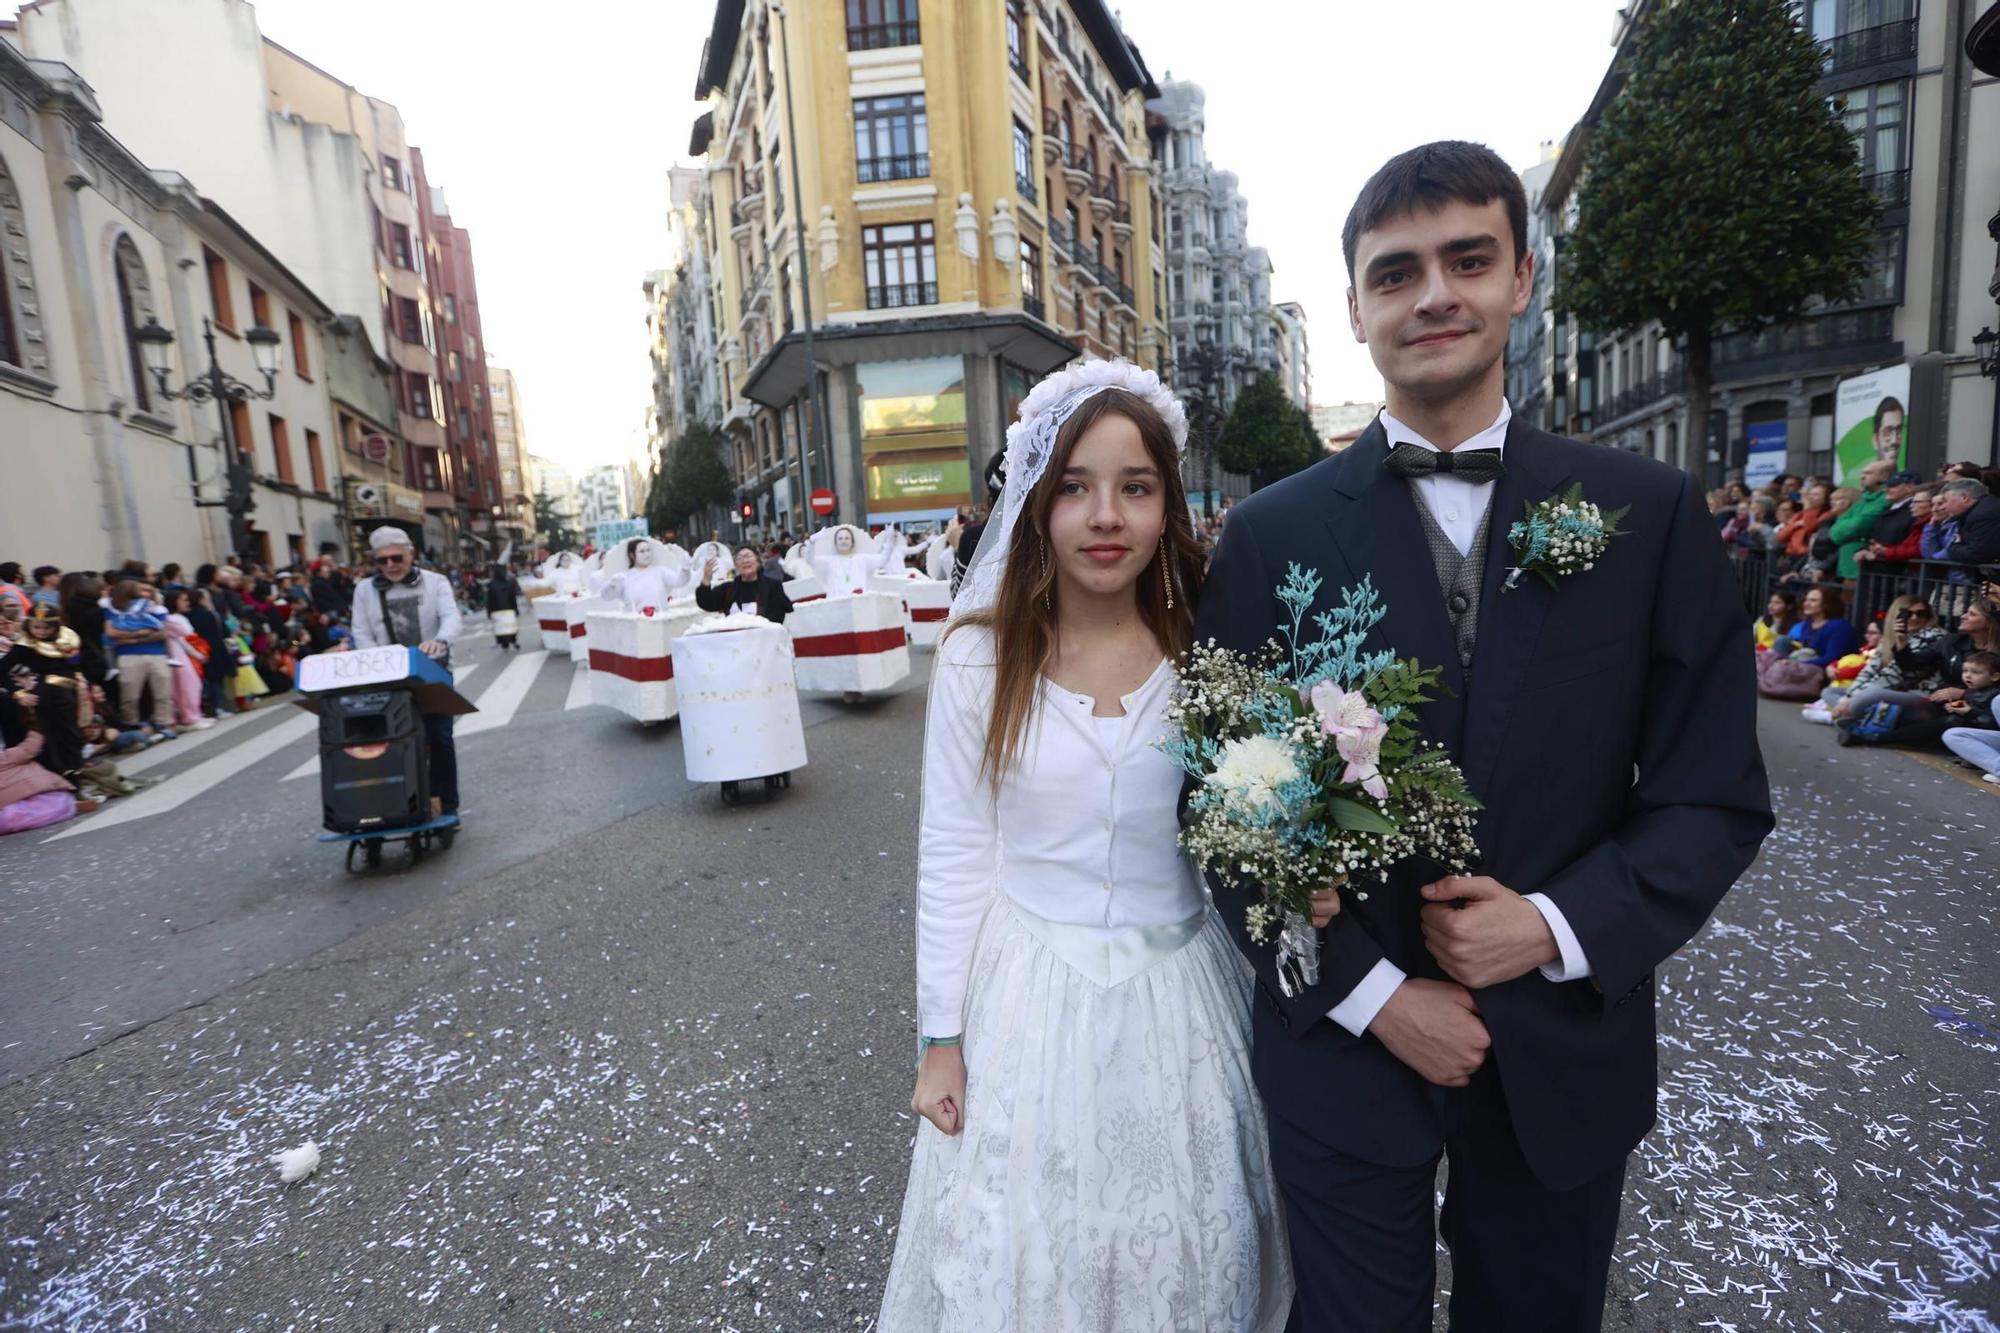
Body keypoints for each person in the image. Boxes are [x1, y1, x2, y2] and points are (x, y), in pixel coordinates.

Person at [1192, 142, 1773, 1330]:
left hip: (1560, 1042)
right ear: (1355, 308)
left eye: (1466, 258)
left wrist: (1552, 928)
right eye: (1395, 272)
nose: (1433, 295)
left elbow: (1709, 790)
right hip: (1342, 1048)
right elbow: (1220, 809)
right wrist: (1372, 996)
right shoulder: (1265, 535)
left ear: (1520, 279)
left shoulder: (1644, 514)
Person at [879, 361, 1291, 1329]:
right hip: (1025, 997)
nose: (1104, 516)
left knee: (1180, 1251)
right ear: (1035, 503)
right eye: (1074, 487)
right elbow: (951, 847)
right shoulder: (979, 652)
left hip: (1185, 998)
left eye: (1133, 488)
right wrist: (940, 1040)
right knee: (1030, 1256)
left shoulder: (1208, 644)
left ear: (1165, 505)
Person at [347, 528, 463, 818]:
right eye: (382, 561)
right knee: (385, 741)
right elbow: (360, 631)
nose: (390, 565)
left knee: (439, 737)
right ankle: (392, 805)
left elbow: (451, 617)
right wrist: (375, 658)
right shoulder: (364, 590)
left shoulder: (435, 583)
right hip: (386, 676)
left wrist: (441, 641)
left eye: (396, 558)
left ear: (411, 554)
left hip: (432, 670)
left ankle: (447, 805)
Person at [1808, 595, 1945, 725]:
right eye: (1908, 613)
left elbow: (1894, 675)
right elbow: (1869, 670)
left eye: (1921, 614)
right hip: (1892, 691)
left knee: (1868, 696)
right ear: (1896, 615)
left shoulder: (1933, 635)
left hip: (1918, 694)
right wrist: (1848, 698)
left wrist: (1851, 699)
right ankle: (1850, 716)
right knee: (1830, 691)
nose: (1915, 618)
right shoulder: (1889, 637)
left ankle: (1834, 716)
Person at [105, 579, 176, 742]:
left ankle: (163, 724)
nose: (146, 593)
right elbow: (112, 633)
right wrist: (144, 633)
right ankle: (132, 726)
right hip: (128, 656)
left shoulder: (154, 607)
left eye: (148, 590)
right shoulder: (114, 609)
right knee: (129, 694)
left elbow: (163, 633)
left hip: (157, 653)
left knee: (163, 692)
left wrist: (133, 638)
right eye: (142, 590)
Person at [1939, 651, 2000, 782]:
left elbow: (1993, 723)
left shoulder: (1995, 693)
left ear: (1994, 677)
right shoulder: (1972, 692)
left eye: (1975, 672)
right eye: (1965, 671)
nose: (1968, 675)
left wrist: (1970, 713)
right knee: (1952, 735)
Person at [1826, 460, 1892, 580]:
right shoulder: (1862, 501)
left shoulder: (1884, 499)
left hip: (1863, 568)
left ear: (1884, 476)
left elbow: (1858, 525)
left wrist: (1843, 527)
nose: (1862, 476)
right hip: (1847, 565)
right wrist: (1842, 528)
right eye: (1862, 473)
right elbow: (1834, 532)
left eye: (1868, 473)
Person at [693, 546, 792, 623]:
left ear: (758, 562)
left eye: (748, 556)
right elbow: (706, 603)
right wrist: (706, 579)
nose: (745, 561)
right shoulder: (728, 589)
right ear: (736, 565)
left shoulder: (773, 586)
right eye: (739, 558)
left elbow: (778, 615)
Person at [161, 588, 213, 731]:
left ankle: (193, 714)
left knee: (191, 684)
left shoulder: (179, 618)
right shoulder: (170, 619)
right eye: (183, 600)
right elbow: (184, 639)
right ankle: (189, 717)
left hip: (182, 652)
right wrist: (197, 653)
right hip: (176, 652)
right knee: (186, 686)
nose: (187, 602)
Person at [1934, 478, 2000, 566]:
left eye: (1945, 501)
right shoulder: (1980, 510)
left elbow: (1977, 554)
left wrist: (1952, 548)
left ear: (1964, 498)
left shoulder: (1982, 515)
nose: (1943, 507)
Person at [485, 561, 523, 649]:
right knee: (510, 626)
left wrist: (489, 611)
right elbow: (513, 598)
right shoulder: (508, 583)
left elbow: (489, 600)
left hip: (497, 610)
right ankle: (513, 640)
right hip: (509, 608)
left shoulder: (492, 585)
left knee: (500, 628)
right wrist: (516, 609)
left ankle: (504, 643)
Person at [1870, 395, 1906, 467]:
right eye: (1887, 432)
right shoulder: (1867, 477)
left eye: (1898, 431)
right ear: (1875, 440)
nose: (1894, 440)